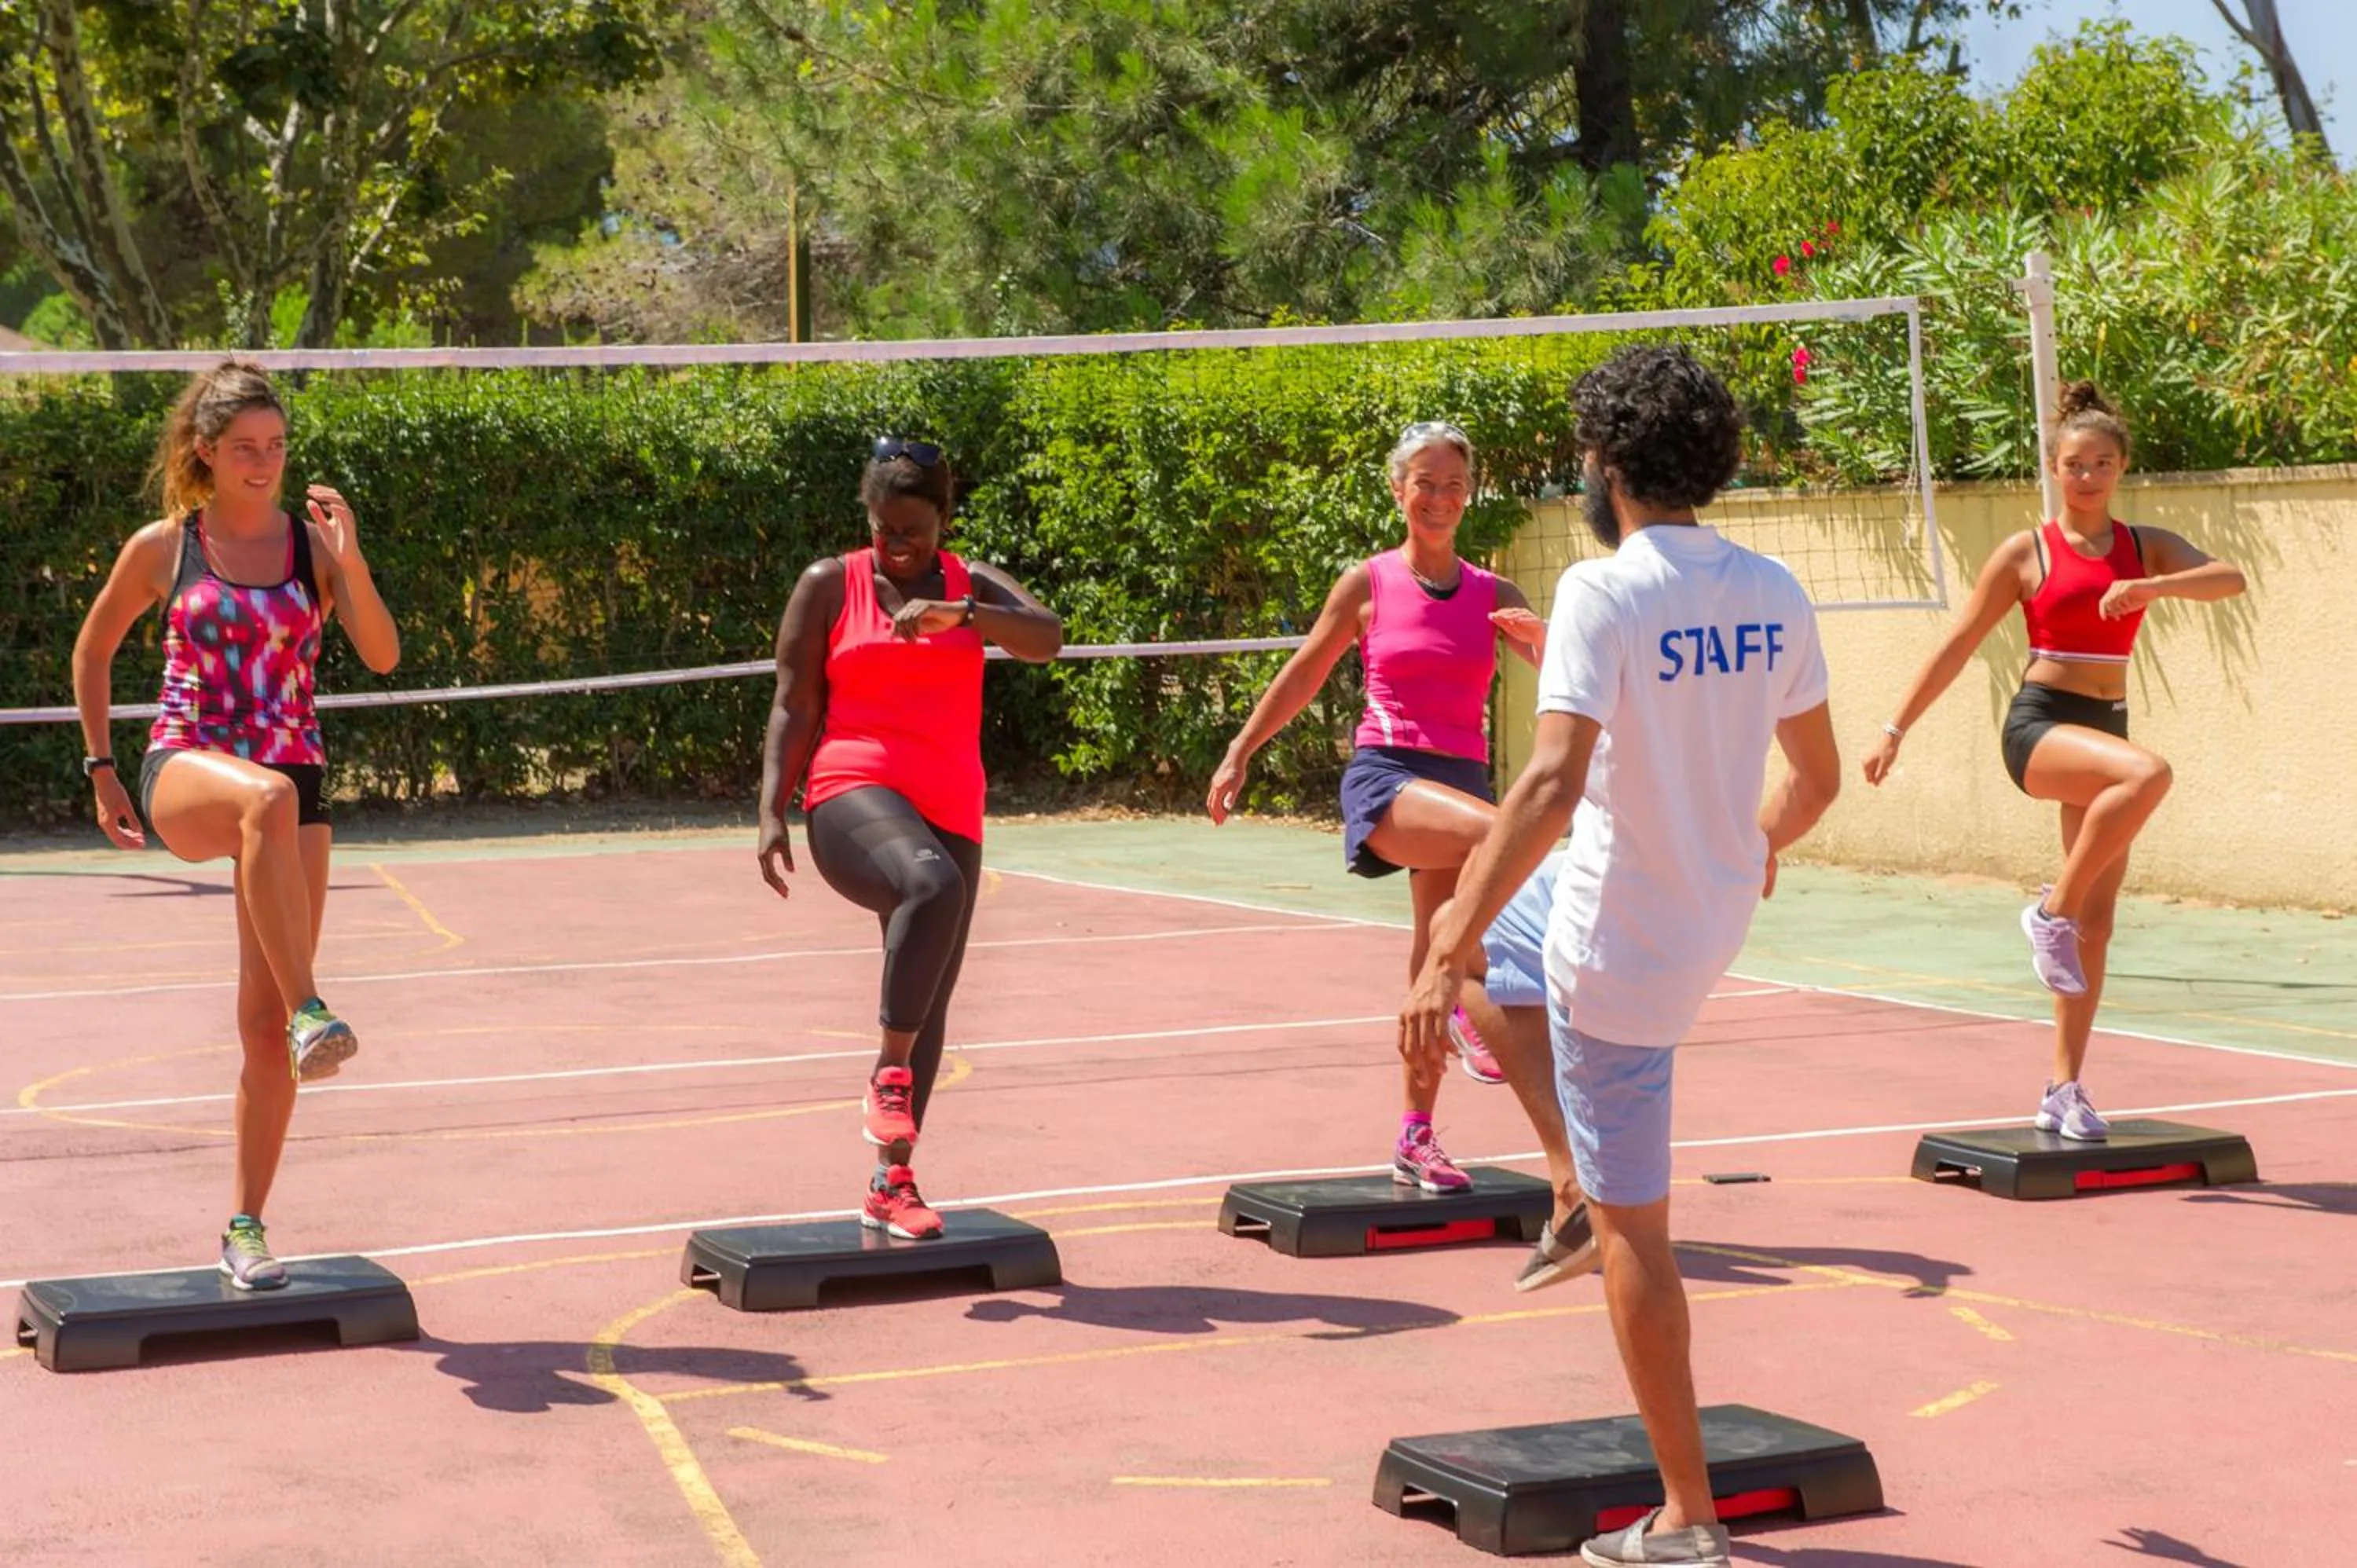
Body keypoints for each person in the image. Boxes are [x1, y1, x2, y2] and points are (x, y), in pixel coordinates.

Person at [1402, 345, 1842, 1568]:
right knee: (1505, 971)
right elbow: (1811, 781)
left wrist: (1449, 932)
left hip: (1625, 942)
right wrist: (1745, 843)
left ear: (1605, 463)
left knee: (1639, 1231)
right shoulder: (1774, 588)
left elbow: (1549, 781)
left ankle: (1688, 1517)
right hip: (1702, 909)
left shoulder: (1606, 588)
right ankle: (1574, 1176)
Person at [70, 360, 401, 1291]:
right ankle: (314, 1010)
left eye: (278, 446)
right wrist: (103, 767)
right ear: (205, 452)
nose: (265, 462)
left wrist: (354, 558)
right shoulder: (165, 545)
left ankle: (245, 1226)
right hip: (188, 765)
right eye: (246, 448)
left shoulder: (312, 546)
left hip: (297, 776)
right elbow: (92, 650)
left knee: (258, 1029)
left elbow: (381, 654)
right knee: (263, 801)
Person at [1863, 382, 2246, 1141]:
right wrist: (1894, 726)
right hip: (2040, 727)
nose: (2088, 476)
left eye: (2102, 463)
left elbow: (2230, 579)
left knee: (2098, 929)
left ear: (2121, 468)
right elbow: (1958, 644)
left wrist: (2150, 586)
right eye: (2075, 464)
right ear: (2054, 468)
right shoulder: (2028, 552)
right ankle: (2047, 913)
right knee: (2147, 775)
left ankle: (2063, 1089)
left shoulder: (2146, 546)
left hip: (2104, 724)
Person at [1207, 421, 1548, 1194]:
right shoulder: (1369, 584)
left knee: (1433, 951)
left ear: (1470, 495)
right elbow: (1305, 671)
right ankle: (1468, 1002)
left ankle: (1415, 1136)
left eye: (1453, 484)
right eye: (1424, 482)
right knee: (1506, 838)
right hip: (1390, 779)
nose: (1440, 497)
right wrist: (1241, 749)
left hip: (1461, 781)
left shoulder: (1498, 596)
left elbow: (1573, 678)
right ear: (1399, 490)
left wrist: (1547, 642)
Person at [756, 438, 1062, 1240]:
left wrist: (961, 614)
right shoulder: (831, 584)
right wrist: (769, 808)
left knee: (932, 1000)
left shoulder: (968, 585)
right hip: (851, 790)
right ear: (868, 518)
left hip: (951, 802)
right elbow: (794, 701)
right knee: (933, 886)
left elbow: (1046, 636)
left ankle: (892, 1184)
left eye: (914, 531)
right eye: (884, 528)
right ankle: (888, 1079)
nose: (897, 545)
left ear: (943, 521)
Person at [1442, 852, 1596, 1292]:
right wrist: (1758, 843)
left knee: (1459, 932)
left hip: (1629, 881)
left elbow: (1547, 794)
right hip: (1710, 897)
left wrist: (1436, 974)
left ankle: (1570, 1182)